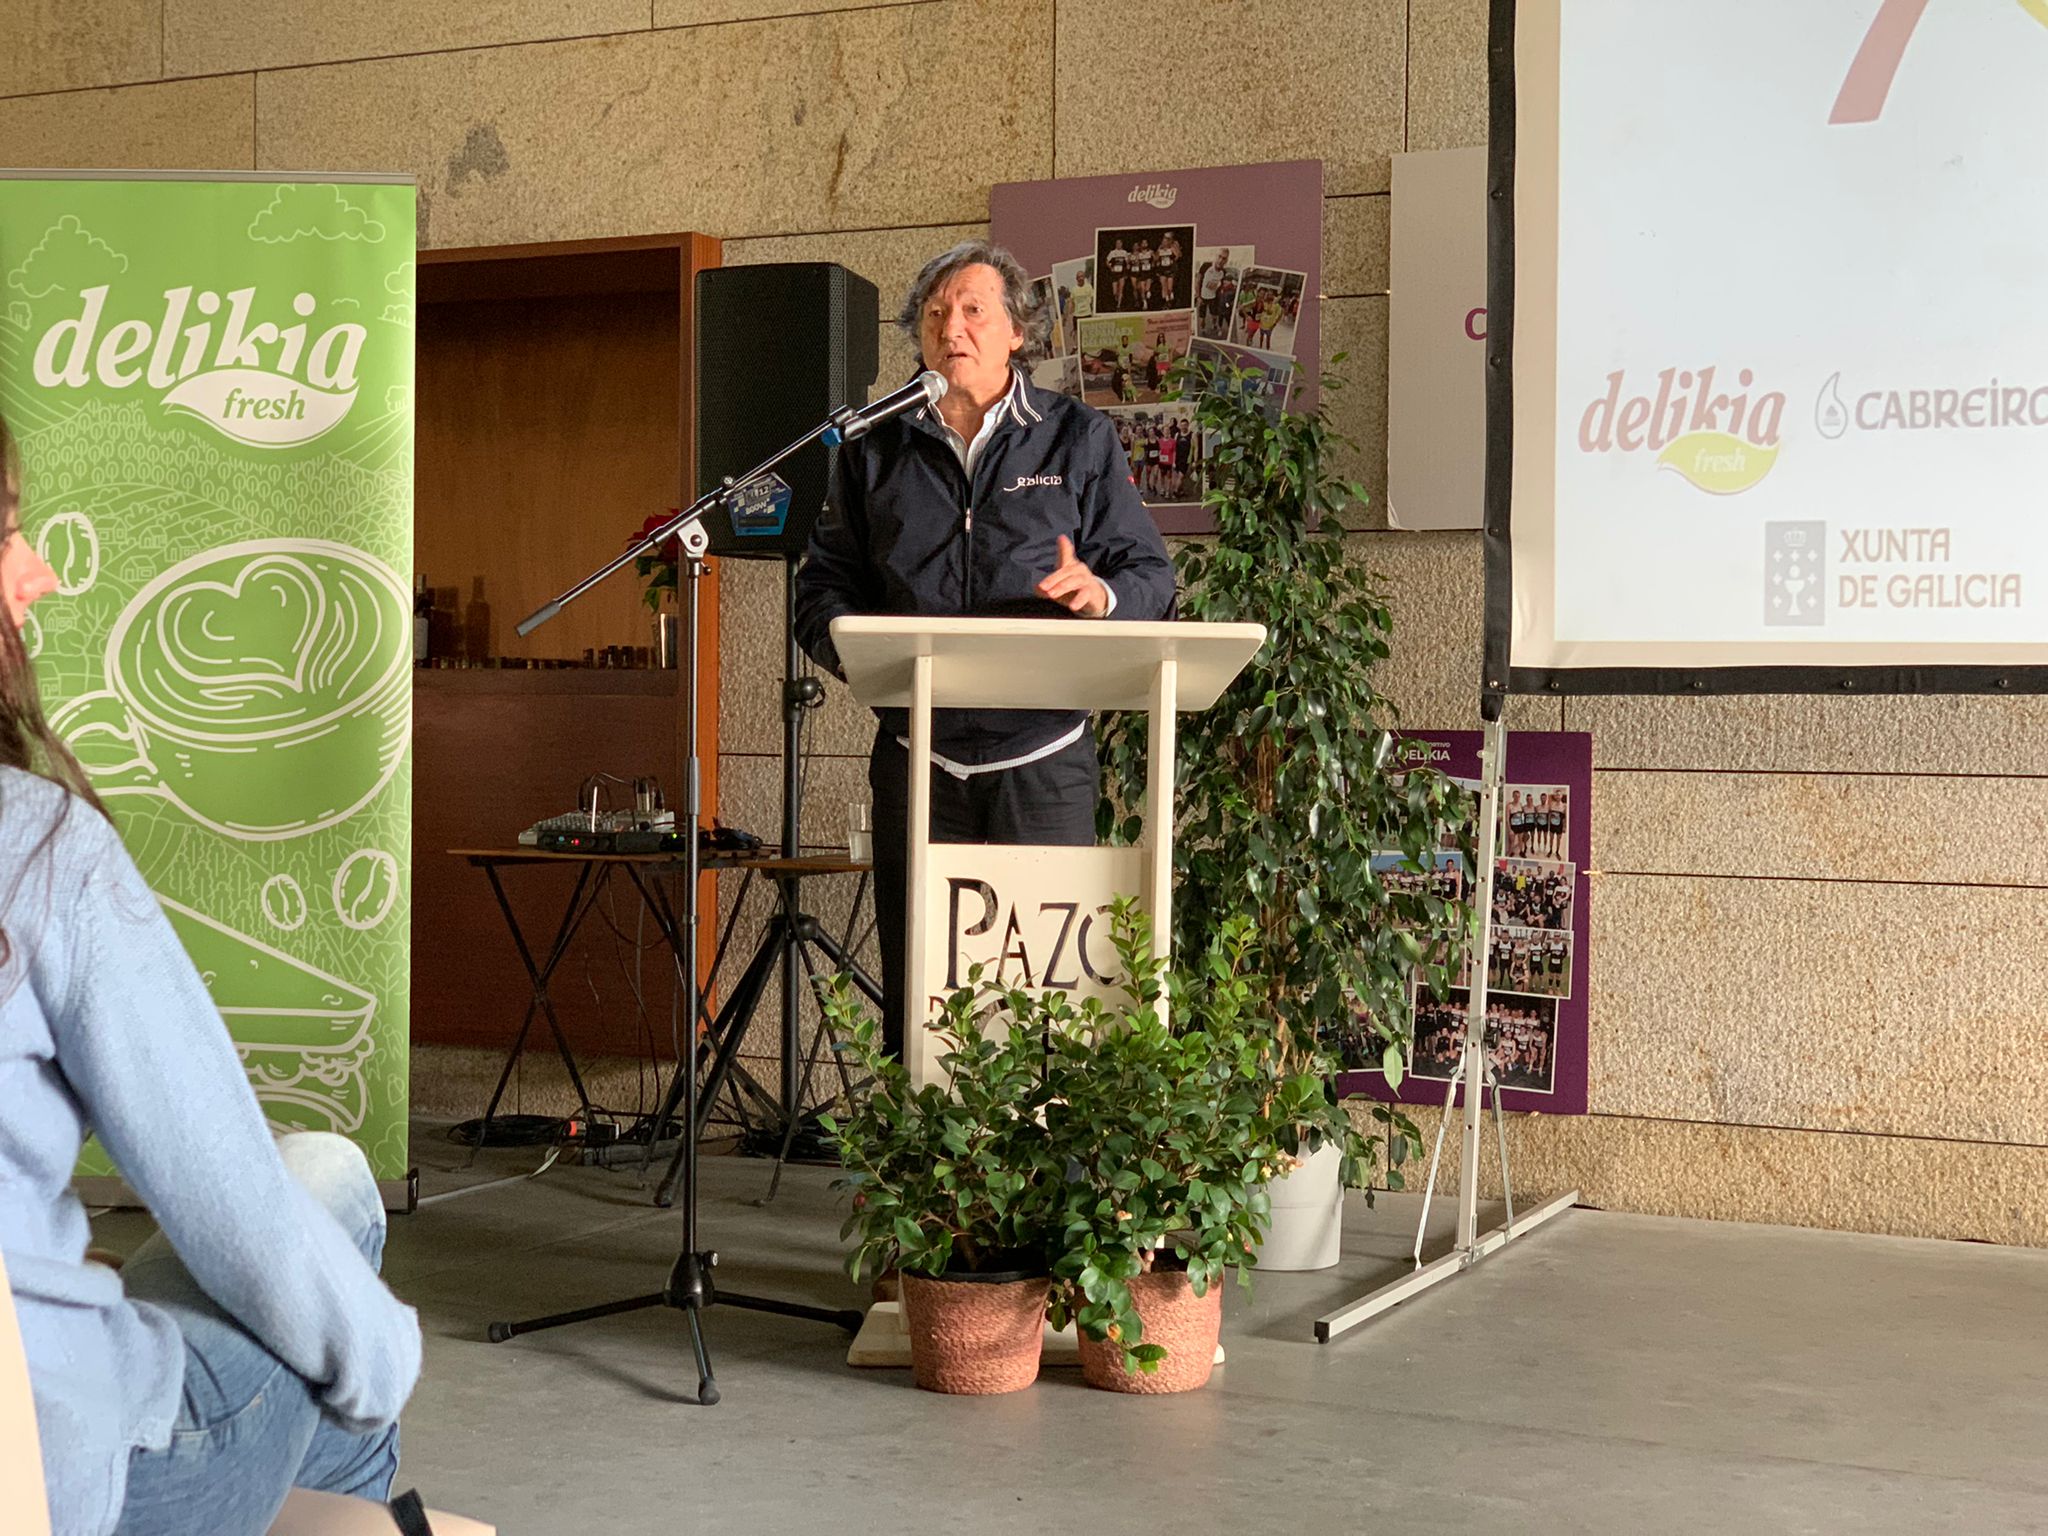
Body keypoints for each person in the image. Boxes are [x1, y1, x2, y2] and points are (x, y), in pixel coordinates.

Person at [0, 418, 421, 1536]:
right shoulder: (39, 850)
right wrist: (387, 1361)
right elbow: (234, 1204)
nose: (39, 573)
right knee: (326, 1185)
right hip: (65, 1477)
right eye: (7, 534)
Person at [795, 240, 1175, 1059]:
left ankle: (1047, 1145)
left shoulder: (1076, 438)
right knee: (920, 994)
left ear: (1017, 334)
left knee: (1049, 1002)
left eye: (973, 310)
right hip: (917, 757)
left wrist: (1101, 595)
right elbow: (820, 589)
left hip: (1044, 759)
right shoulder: (871, 448)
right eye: (935, 314)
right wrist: (857, 653)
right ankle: (919, 1146)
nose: (951, 328)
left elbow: (1150, 575)